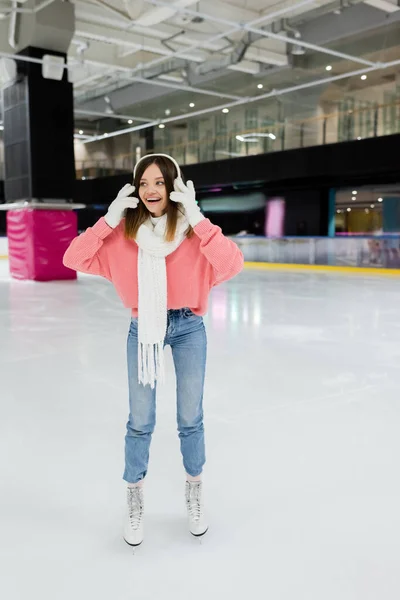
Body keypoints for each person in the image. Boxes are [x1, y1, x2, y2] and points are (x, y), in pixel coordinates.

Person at [63, 153, 244, 547]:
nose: (150, 190)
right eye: (144, 183)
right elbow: (72, 257)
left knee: (190, 417)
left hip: (188, 327)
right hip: (143, 327)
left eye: (159, 182)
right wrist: (108, 220)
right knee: (140, 420)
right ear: (134, 188)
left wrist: (197, 218)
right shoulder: (123, 234)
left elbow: (231, 266)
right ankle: (134, 498)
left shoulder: (193, 232)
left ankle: (195, 492)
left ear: (174, 186)